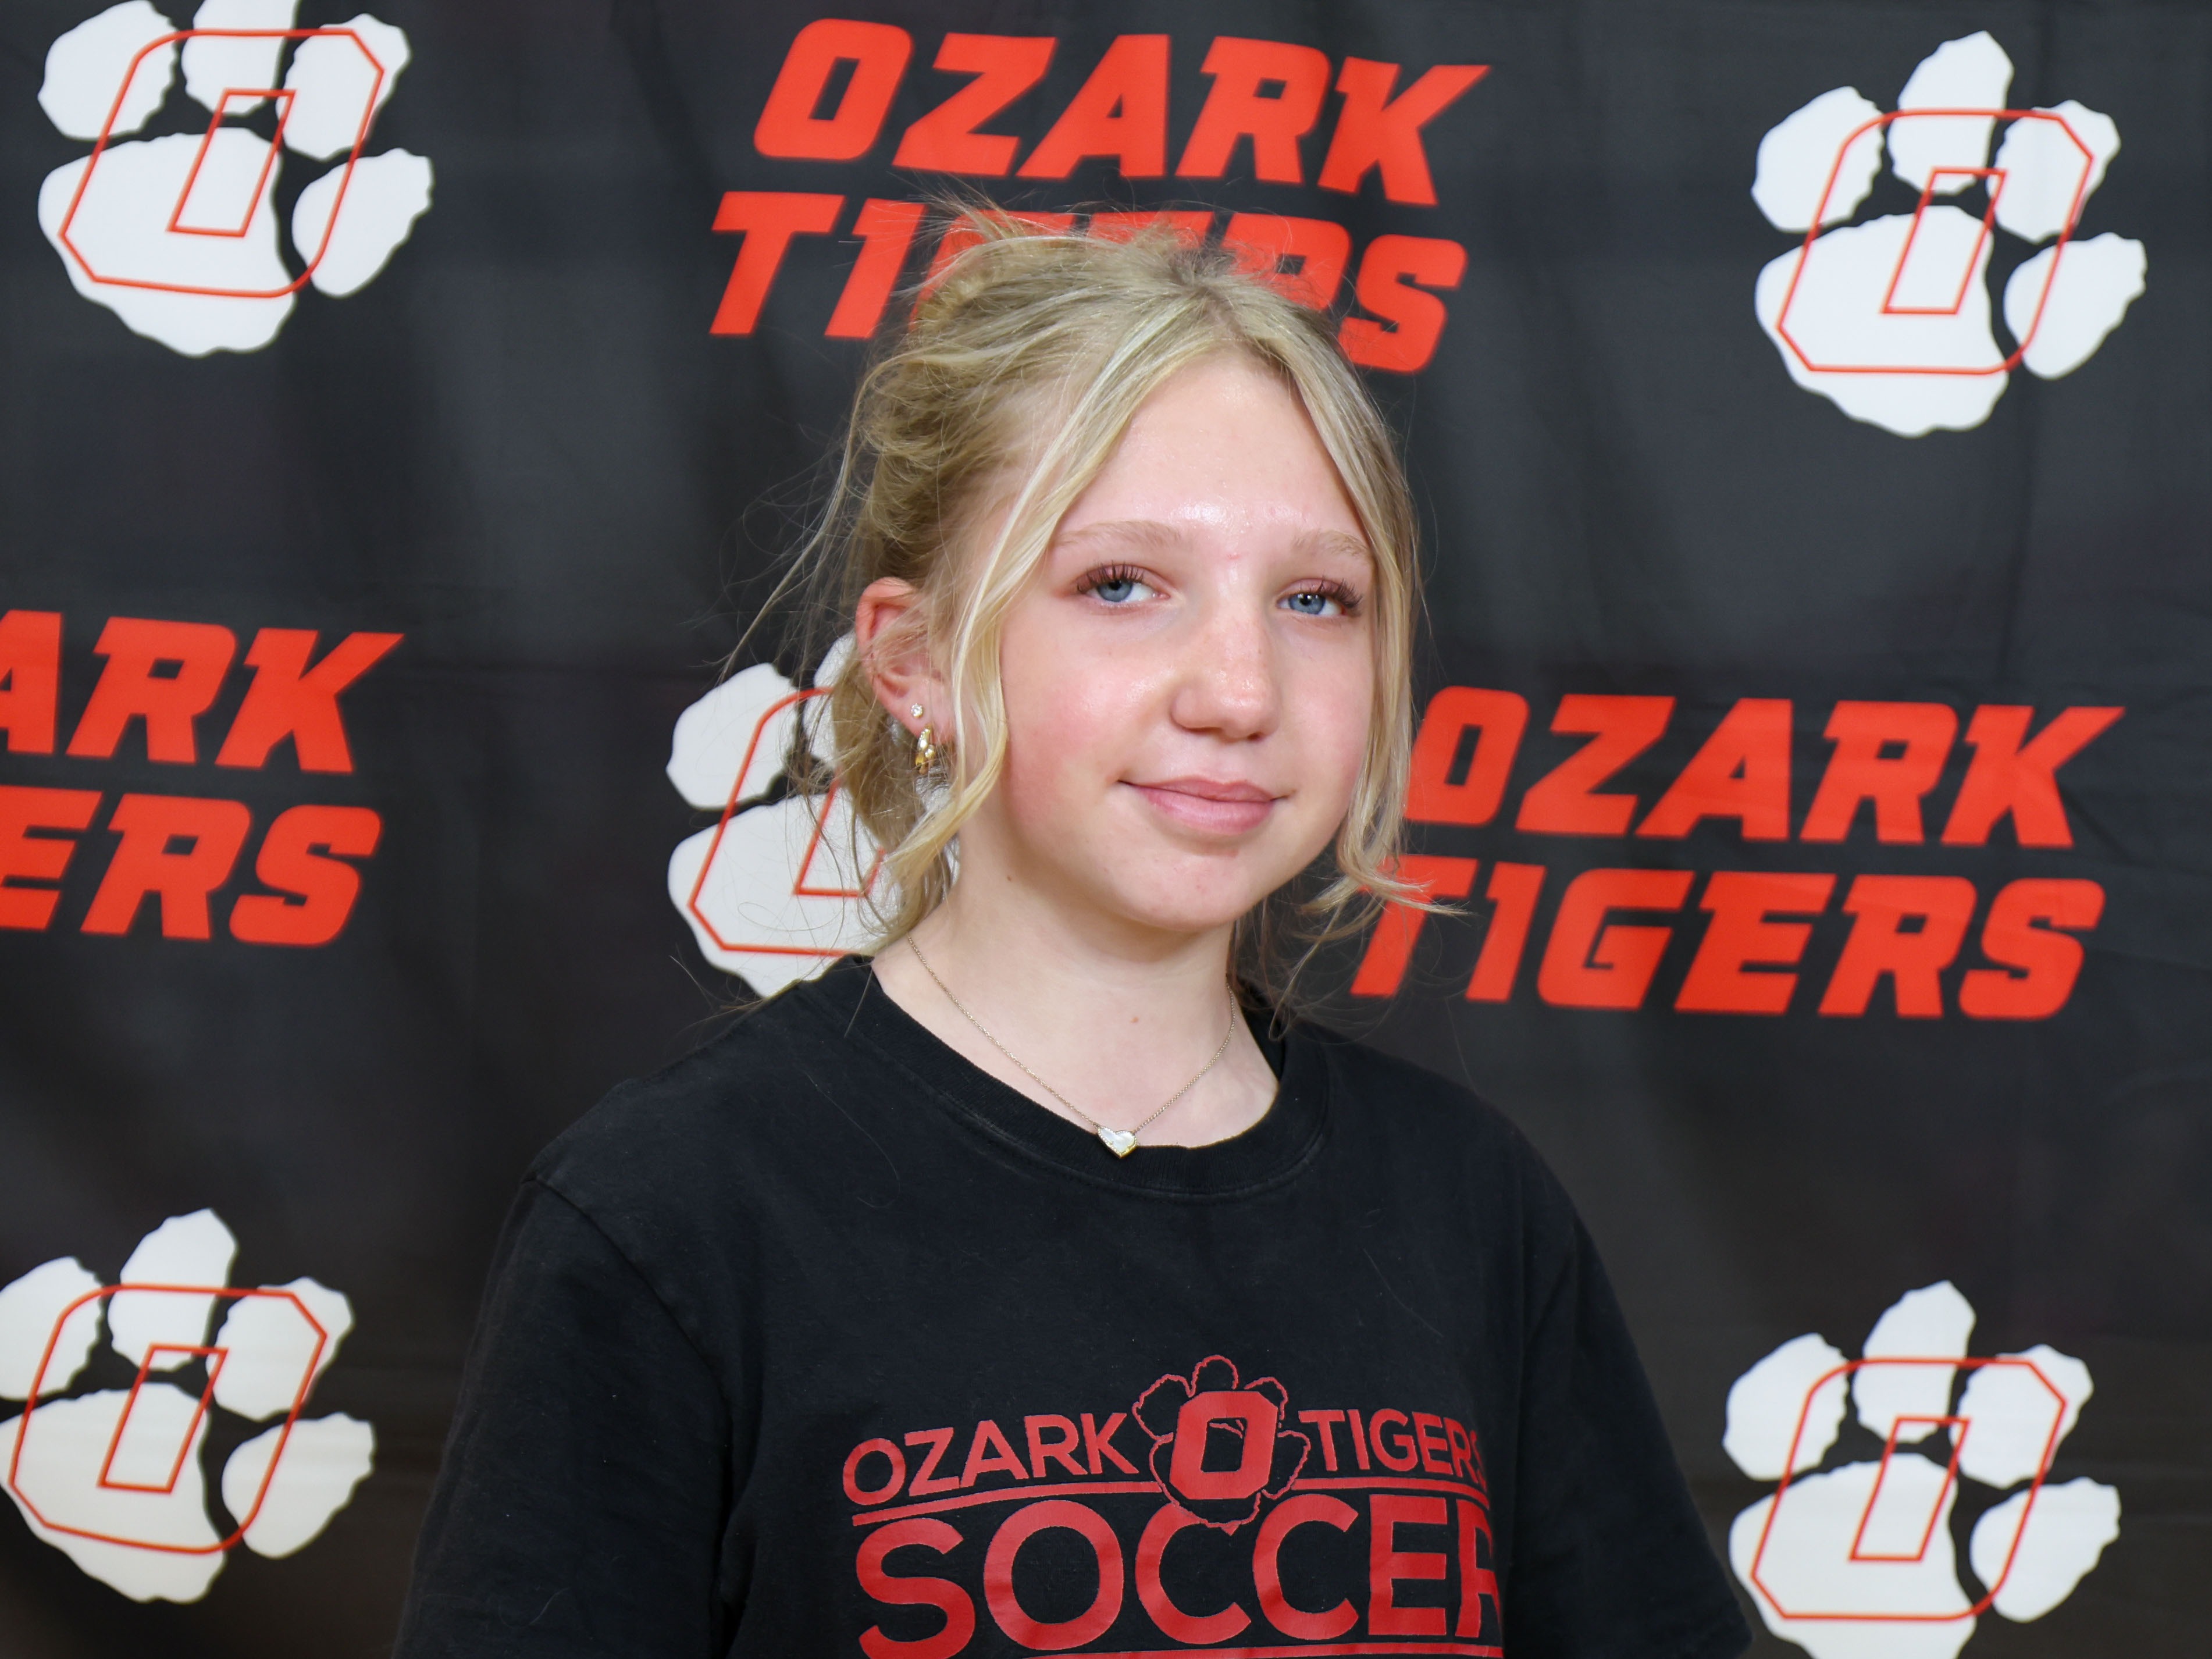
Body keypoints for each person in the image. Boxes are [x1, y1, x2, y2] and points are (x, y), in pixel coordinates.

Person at [395, 216, 1750, 1659]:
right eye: (1121, 585)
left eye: (1316, 599)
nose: (1240, 690)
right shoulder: (671, 1216)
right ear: (916, 661)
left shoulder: (1473, 1207)